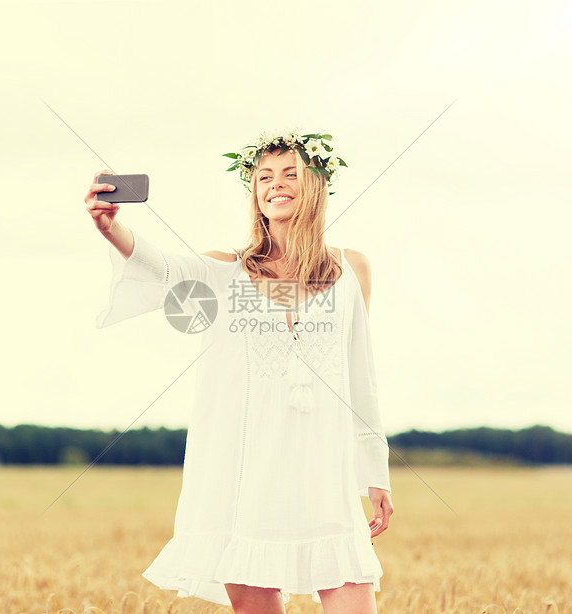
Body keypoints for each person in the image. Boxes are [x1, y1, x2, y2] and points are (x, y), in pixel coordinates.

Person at [84, 131, 394, 614]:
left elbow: (362, 377)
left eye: (291, 173)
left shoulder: (352, 269)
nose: (277, 184)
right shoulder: (226, 271)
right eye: (264, 176)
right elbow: (162, 269)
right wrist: (110, 229)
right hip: (246, 481)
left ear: (318, 184)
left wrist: (376, 473)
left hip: (324, 476)